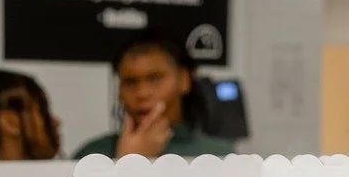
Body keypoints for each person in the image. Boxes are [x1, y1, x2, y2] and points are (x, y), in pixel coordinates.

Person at [73, 30, 235, 160]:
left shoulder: (218, 156)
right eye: (130, 82)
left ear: (184, 80)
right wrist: (126, 160)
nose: (142, 93)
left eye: (155, 79)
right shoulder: (92, 156)